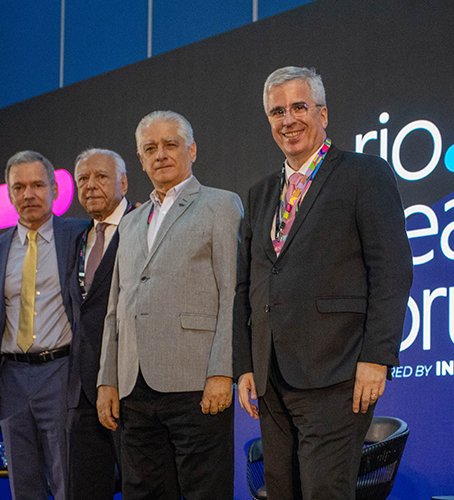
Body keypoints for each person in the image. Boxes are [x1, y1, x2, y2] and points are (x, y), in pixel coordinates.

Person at [233, 66, 413, 499]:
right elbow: (247, 286)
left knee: (324, 493)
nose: (288, 120)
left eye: (299, 107)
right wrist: (244, 365)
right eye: (277, 111)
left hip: (338, 372)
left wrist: (377, 357)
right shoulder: (260, 194)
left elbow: (392, 270)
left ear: (323, 113)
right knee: (283, 492)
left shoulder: (364, 174)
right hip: (272, 375)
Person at [96, 111, 243, 499]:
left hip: (197, 383)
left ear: (191, 150)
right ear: (141, 161)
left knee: (204, 492)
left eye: (170, 144)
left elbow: (232, 294)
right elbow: (116, 307)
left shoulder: (221, 206)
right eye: (150, 148)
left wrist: (222, 372)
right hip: (133, 387)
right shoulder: (129, 222)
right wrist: (107, 379)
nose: (160, 154)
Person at [0, 151, 87, 500]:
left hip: (63, 373)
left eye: (38, 185)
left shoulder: (80, 234)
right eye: (19, 187)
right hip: (12, 382)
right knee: (23, 485)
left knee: (69, 480)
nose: (28, 194)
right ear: (9, 195)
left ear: (54, 189)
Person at [66, 148, 131, 500]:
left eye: (101, 176)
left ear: (123, 181)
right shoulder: (79, 239)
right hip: (81, 395)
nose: (90, 185)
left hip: (131, 387)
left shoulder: (143, 224)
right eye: (82, 179)